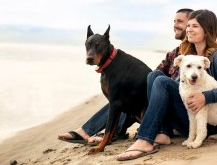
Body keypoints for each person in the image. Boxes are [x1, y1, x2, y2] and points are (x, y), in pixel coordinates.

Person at [116, 9, 217, 161]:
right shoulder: (189, 53)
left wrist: (206, 97)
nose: (189, 29)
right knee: (155, 76)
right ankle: (162, 132)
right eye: (188, 25)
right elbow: (179, 87)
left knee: (161, 80)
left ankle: (145, 139)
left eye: (195, 26)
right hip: (189, 118)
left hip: (210, 122)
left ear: (207, 29)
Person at [57, 8, 195, 145]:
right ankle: (107, 131)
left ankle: (102, 132)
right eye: (174, 21)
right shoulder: (173, 54)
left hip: (176, 110)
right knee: (125, 95)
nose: (175, 25)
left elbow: (171, 85)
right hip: (159, 106)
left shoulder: (196, 57)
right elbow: (151, 78)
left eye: (180, 21)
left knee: (121, 99)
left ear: (191, 24)